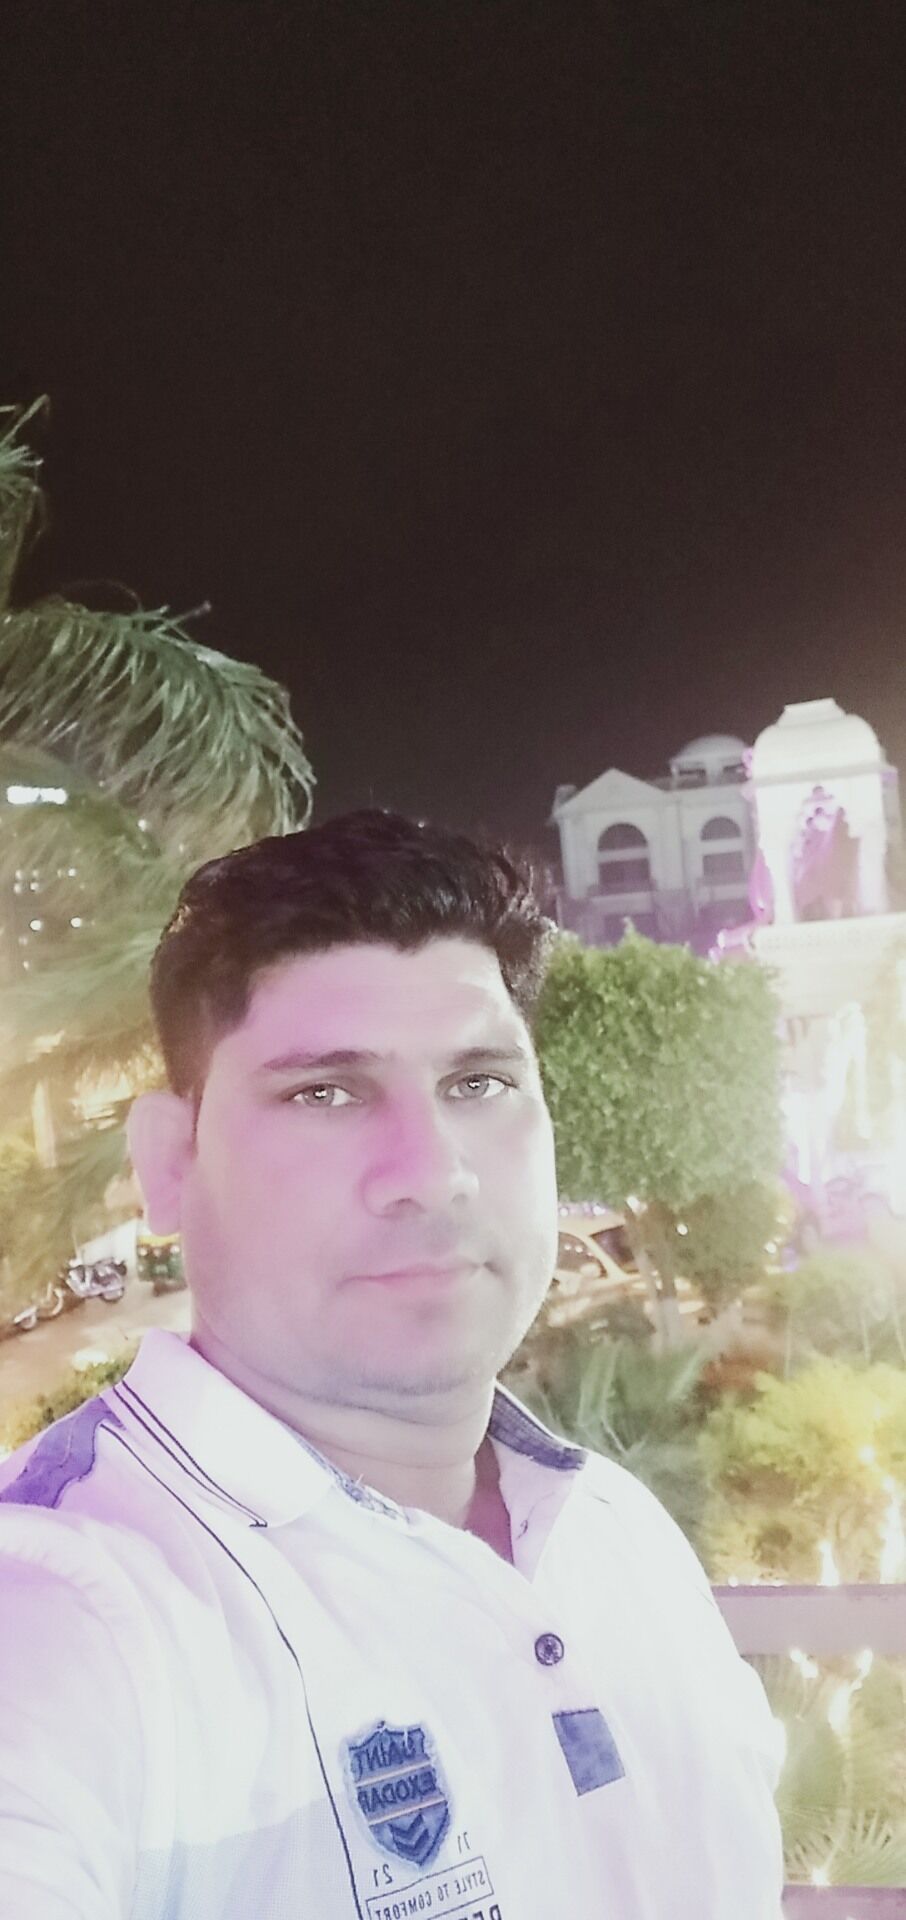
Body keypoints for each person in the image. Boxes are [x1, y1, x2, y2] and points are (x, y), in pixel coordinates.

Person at [0, 808, 785, 1918]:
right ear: (169, 1164)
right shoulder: (74, 1615)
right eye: (324, 1092)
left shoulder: (617, 1535)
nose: (431, 1170)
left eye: (479, 1083)